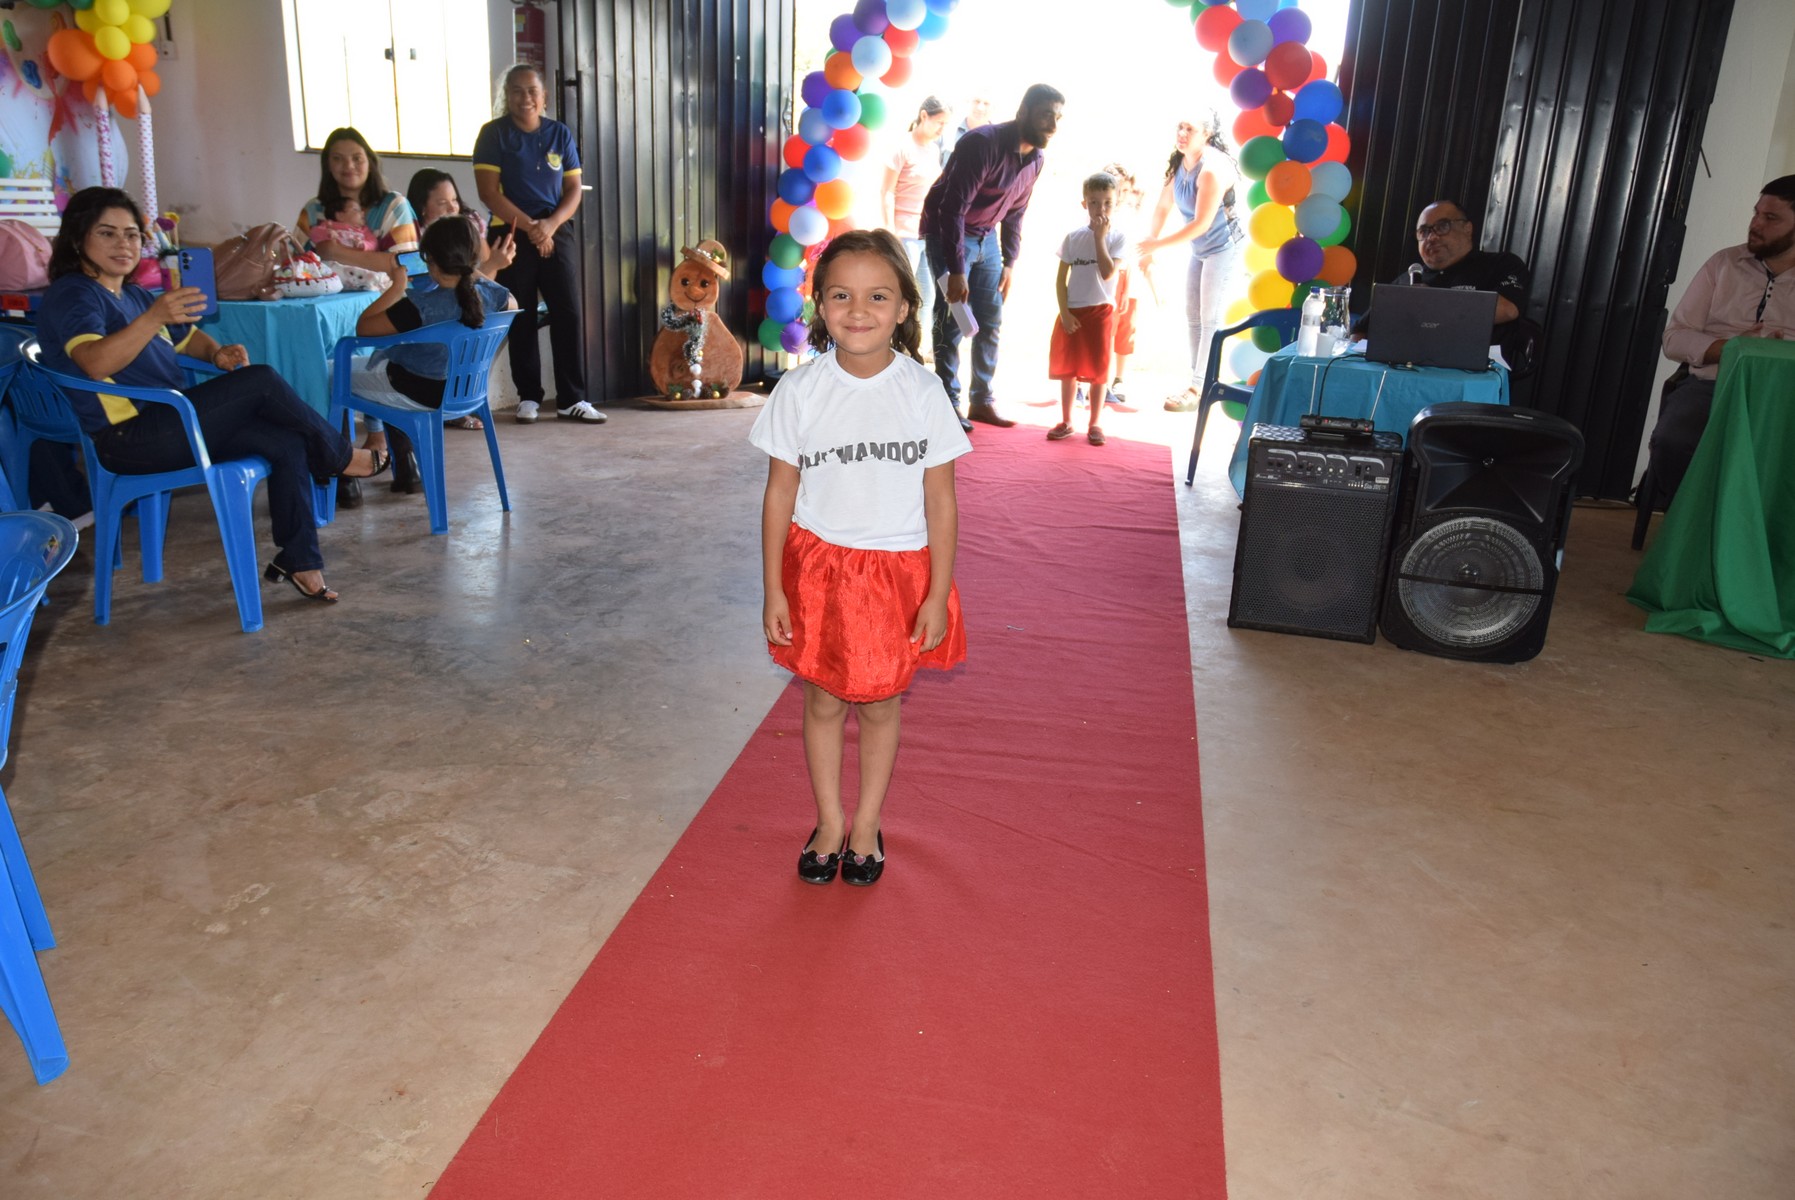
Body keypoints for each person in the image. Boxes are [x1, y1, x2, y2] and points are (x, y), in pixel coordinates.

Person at [38, 188, 387, 604]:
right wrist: (153, 317)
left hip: (173, 420)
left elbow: (187, 339)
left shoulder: (129, 294)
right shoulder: (74, 294)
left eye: (132, 235)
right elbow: (94, 362)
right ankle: (341, 457)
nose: (124, 245)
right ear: (78, 239)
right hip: (129, 438)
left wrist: (216, 352)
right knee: (260, 381)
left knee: (286, 440)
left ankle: (300, 560)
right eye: (108, 234)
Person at [750, 229, 970, 888]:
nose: (858, 310)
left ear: (904, 307)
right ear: (818, 305)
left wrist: (936, 592)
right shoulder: (800, 391)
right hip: (817, 568)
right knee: (820, 700)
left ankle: (867, 823)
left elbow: (942, 502)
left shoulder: (923, 392)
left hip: (897, 573)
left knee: (879, 704)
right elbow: (778, 493)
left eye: (878, 296)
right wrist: (772, 589)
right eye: (841, 295)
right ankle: (826, 819)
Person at [921, 83, 1064, 431]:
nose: (1053, 125)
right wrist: (956, 270)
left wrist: (1010, 262)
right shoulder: (981, 144)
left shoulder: (1037, 159)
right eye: (1046, 115)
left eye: (1058, 118)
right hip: (948, 236)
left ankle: (981, 401)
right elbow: (952, 209)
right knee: (953, 319)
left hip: (987, 241)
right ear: (1023, 112)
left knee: (989, 320)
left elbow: (1016, 213)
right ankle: (947, 405)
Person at [342, 214, 519, 496]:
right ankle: (405, 465)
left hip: (416, 393)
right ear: (473, 258)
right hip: (464, 394)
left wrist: (397, 287)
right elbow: (511, 301)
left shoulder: (417, 306)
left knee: (332, 374)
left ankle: (343, 476)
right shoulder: (496, 298)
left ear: (431, 262)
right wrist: (474, 272)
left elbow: (363, 328)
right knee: (389, 367)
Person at [1646, 175, 1795, 503]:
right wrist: (1727, 349)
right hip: (1712, 387)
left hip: (1785, 396)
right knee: (1672, 441)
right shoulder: (1723, 264)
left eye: (1771, 218)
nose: (1755, 224)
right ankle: (1692, 523)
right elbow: (1674, 338)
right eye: (1756, 213)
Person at [295, 126, 420, 505]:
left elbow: (408, 262)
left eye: (356, 158)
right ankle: (343, 462)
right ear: (326, 165)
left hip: (389, 307)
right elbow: (299, 262)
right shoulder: (314, 210)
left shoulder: (393, 204)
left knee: (362, 360)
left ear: (371, 162)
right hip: (329, 307)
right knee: (325, 360)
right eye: (337, 158)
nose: (347, 166)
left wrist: (337, 250)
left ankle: (402, 452)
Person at [474, 64, 604, 425]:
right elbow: (488, 192)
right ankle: (528, 396)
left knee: (568, 313)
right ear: (507, 96)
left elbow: (573, 189)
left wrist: (549, 226)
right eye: (516, 90)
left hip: (555, 228)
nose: (525, 98)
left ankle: (571, 399)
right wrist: (532, 228)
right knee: (521, 313)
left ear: (543, 96)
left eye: (532, 90)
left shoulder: (559, 134)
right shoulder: (493, 135)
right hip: (510, 232)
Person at [1136, 111, 1246, 413]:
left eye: (1190, 129)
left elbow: (1200, 223)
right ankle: (1201, 381)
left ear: (1206, 134)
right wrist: (1150, 245)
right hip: (1201, 248)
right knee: (1192, 314)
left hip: (1223, 246)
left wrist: (1157, 244)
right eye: (1179, 127)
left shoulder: (1211, 170)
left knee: (1210, 316)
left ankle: (1199, 386)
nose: (1182, 133)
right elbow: (1162, 205)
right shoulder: (1180, 163)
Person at [405, 168, 516, 432]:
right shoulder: (414, 241)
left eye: (454, 200)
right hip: (434, 336)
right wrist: (491, 268)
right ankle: (458, 400)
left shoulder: (468, 227)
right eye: (442, 203)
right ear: (421, 208)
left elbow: (471, 288)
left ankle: (456, 400)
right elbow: (458, 291)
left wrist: (493, 265)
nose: (452, 208)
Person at [1046, 172, 1127, 447]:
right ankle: (1067, 420)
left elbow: (1107, 273)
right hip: (1072, 311)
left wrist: (1100, 239)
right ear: (1085, 204)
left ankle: (1095, 423)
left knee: (1098, 370)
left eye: (1107, 203)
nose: (1100, 209)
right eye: (1094, 202)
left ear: (1115, 204)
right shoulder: (1072, 238)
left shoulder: (1117, 238)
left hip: (1101, 312)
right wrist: (1065, 313)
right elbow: (1060, 279)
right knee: (1067, 368)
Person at [881, 95, 950, 340]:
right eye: (939, 122)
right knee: (901, 294)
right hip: (904, 235)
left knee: (928, 294)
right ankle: (890, 342)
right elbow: (887, 191)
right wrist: (890, 232)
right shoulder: (902, 147)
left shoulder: (933, 150)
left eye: (946, 125)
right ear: (924, 116)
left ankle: (916, 345)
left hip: (928, 234)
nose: (942, 129)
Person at [306, 196, 390, 292]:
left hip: (356, 267)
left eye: (361, 210)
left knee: (368, 274)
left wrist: (364, 244)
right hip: (334, 267)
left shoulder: (364, 231)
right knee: (321, 267)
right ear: (340, 215)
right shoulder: (330, 225)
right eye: (356, 210)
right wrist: (327, 233)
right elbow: (313, 233)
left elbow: (374, 243)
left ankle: (374, 282)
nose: (362, 213)